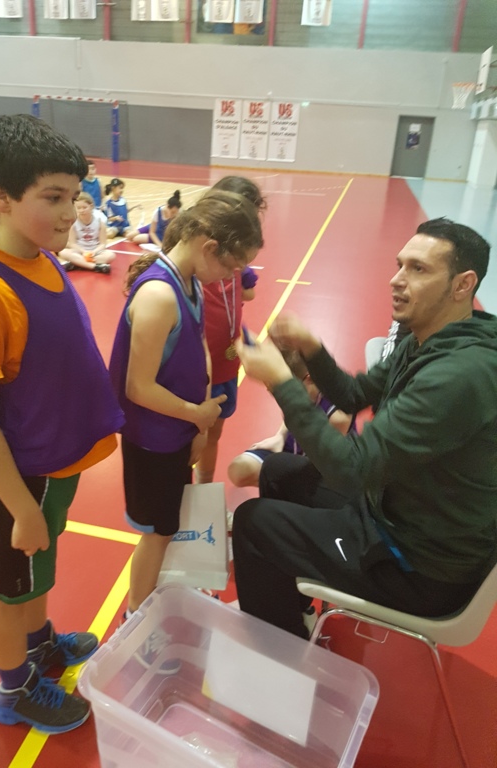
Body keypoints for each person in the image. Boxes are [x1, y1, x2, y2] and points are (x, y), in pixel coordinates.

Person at [232, 218, 497, 640]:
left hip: (419, 565)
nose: (397, 279)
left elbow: (350, 469)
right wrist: (311, 347)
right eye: (400, 265)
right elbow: (355, 394)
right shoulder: (427, 337)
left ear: (462, 285)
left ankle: (280, 651)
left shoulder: (459, 376)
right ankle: (290, 609)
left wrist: (281, 380)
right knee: (278, 472)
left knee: (253, 523)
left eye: (418, 269)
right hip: (396, 509)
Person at [0, 114, 124, 733]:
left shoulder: (44, 259)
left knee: (35, 568)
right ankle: (14, 689)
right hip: (15, 474)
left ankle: (39, 642)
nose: (70, 212)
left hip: (52, 463)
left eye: (73, 196)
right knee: (6, 585)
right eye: (52, 197)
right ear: (0, 195)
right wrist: (20, 506)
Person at [109, 189, 263, 622]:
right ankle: (135, 616)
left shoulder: (191, 281)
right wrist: (196, 415)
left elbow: (202, 351)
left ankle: (149, 599)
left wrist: (199, 424)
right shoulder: (159, 295)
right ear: (209, 247)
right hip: (153, 439)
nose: (231, 277)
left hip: (177, 429)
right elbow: (138, 387)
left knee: (168, 523)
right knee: (158, 532)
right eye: (231, 266)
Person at [191, 176, 263, 485]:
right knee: (191, 436)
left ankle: (203, 492)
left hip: (227, 364)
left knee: (214, 433)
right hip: (195, 371)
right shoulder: (196, 263)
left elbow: (244, 295)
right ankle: (180, 497)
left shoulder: (237, 260)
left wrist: (243, 336)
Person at [228, 351, 355, 488]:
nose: (273, 391)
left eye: (276, 386)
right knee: (239, 470)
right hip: (295, 447)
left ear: (308, 378)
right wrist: (280, 436)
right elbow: (292, 410)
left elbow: (321, 462)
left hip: (321, 464)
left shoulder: (338, 416)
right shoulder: (300, 386)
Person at [59, 192, 112, 273]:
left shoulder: (99, 222)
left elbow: (103, 244)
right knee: (63, 252)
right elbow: (72, 243)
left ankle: (78, 263)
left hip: (95, 251)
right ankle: (94, 267)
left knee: (111, 255)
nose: (81, 210)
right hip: (80, 251)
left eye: (84, 207)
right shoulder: (73, 223)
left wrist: (94, 252)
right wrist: (83, 252)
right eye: (78, 208)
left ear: (91, 206)